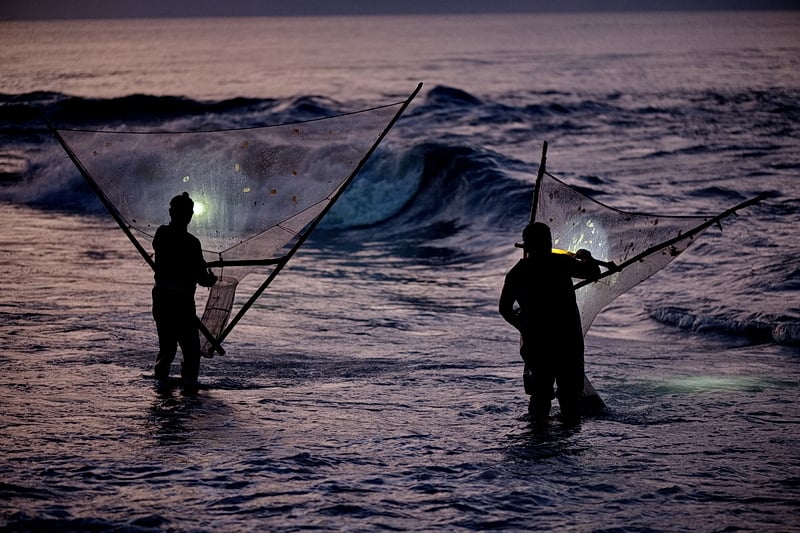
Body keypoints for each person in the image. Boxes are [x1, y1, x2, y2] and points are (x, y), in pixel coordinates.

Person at [499, 222, 600, 421]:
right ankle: (566, 446)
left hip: (536, 343)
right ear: (548, 243)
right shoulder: (561, 263)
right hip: (567, 340)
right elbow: (593, 272)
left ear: (526, 246)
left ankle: (539, 443)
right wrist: (587, 257)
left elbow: (504, 309)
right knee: (570, 399)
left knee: (540, 396)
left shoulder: (517, 272)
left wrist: (524, 327)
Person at [152, 192, 217, 393]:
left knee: (167, 348)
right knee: (190, 350)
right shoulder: (191, 243)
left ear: (171, 212)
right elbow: (201, 277)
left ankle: (160, 383)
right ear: (190, 215)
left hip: (162, 299)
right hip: (181, 302)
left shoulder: (161, 234)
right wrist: (211, 278)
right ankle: (189, 388)